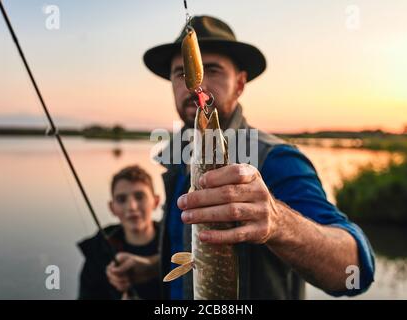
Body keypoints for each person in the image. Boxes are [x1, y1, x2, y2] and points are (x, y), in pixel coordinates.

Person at [116, 15, 375, 300]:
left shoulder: (275, 159)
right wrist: (154, 267)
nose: (194, 87)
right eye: (180, 74)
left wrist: (277, 222)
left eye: (212, 71)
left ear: (239, 84)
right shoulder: (179, 159)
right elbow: (198, 250)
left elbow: (356, 268)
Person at [77, 165, 161, 299]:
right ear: (112, 207)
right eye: (121, 199)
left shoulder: (179, 241)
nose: (132, 206)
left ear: (156, 201)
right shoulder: (97, 251)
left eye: (140, 196)